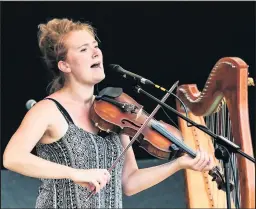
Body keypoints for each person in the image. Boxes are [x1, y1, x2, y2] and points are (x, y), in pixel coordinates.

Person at [3, 18, 215, 208]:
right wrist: (74, 173)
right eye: (84, 49)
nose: (96, 52)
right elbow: (12, 157)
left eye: (95, 46)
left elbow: (130, 182)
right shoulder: (48, 110)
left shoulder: (114, 112)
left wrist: (178, 164)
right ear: (64, 65)